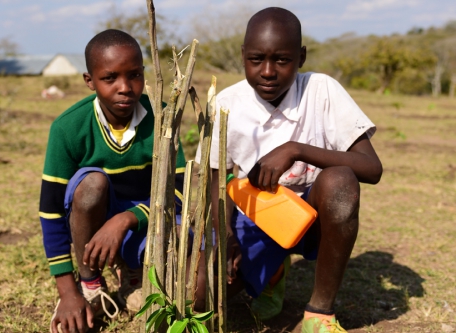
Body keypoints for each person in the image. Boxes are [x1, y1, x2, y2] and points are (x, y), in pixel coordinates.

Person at [200, 7, 383, 333]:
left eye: (282, 60)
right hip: (257, 218)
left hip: (313, 218)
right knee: (201, 295)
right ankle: (272, 272)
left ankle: (319, 313)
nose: (267, 71)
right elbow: (216, 176)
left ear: (301, 57)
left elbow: (372, 168)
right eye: (256, 59)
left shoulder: (321, 91)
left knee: (340, 180)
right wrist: (225, 233)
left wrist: (295, 149)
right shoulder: (228, 104)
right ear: (243, 56)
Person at [39, 29, 185, 333]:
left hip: (145, 220)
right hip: (91, 220)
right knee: (92, 185)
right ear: (89, 81)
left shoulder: (162, 119)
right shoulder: (68, 127)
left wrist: (126, 219)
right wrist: (68, 292)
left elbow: (179, 196)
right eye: (110, 78)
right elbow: (50, 212)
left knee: (191, 288)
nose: (125, 88)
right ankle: (91, 281)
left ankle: (134, 268)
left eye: (134, 75)